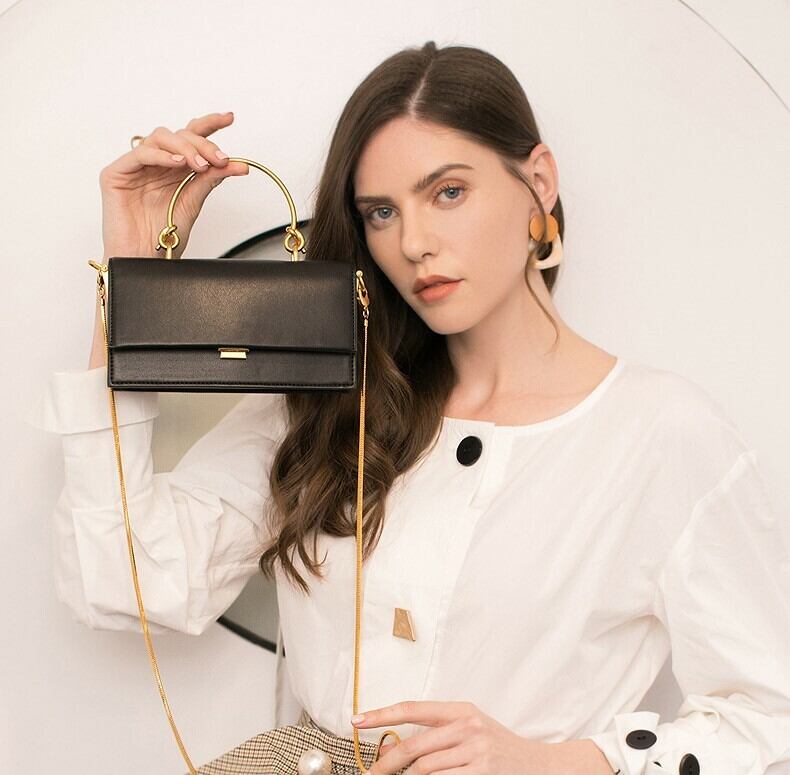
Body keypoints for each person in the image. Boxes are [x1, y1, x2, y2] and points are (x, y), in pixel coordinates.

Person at [26, 41, 790, 775]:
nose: (415, 242)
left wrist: (560, 763)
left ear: (539, 182)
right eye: (381, 212)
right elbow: (121, 581)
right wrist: (129, 283)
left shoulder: (660, 433)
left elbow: (771, 717)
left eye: (447, 192)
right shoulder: (330, 400)